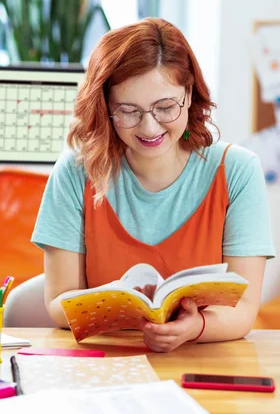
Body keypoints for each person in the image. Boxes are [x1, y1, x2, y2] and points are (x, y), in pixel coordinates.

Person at [32, 18, 275, 352]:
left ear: (189, 96)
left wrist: (196, 327)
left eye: (165, 108)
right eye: (128, 111)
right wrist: (116, 299)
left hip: (201, 359)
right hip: (105, 361)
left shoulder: (237, 171)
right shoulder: (76, 172)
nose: (149, 127)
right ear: (106, 107)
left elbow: (244, 310)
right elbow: (59, 303)